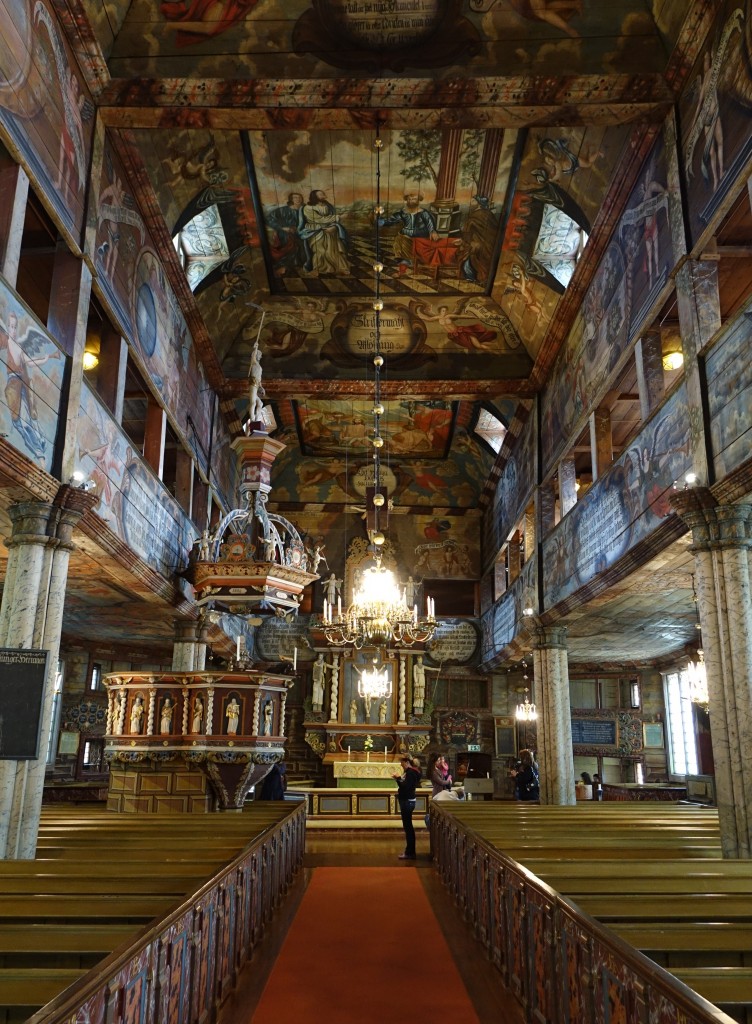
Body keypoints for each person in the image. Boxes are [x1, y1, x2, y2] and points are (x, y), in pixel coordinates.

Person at [299, 190, 350, 276]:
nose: (323, 195)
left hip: (330, 230)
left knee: (333, 250)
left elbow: (330, 217)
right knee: (320, 251)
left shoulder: (328, 206)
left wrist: (334, 227)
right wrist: (339, 217)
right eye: (321, 194)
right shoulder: (308, 208)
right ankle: (317, 269)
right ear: (315, 196)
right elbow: (319, 219)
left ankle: (340, 268)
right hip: (315, 231)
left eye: (323, 194)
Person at [392, 753, 421, 860]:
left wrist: (398, 779)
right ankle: (410, 851)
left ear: (407, 763)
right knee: (408, 827)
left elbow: (406, 787)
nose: (401, 765)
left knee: (408, 827)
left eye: (402, 763)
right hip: (408, 800)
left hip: (407, 801)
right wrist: (399, 779)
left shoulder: (411, 773)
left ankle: (410, 852)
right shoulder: (412, 772)